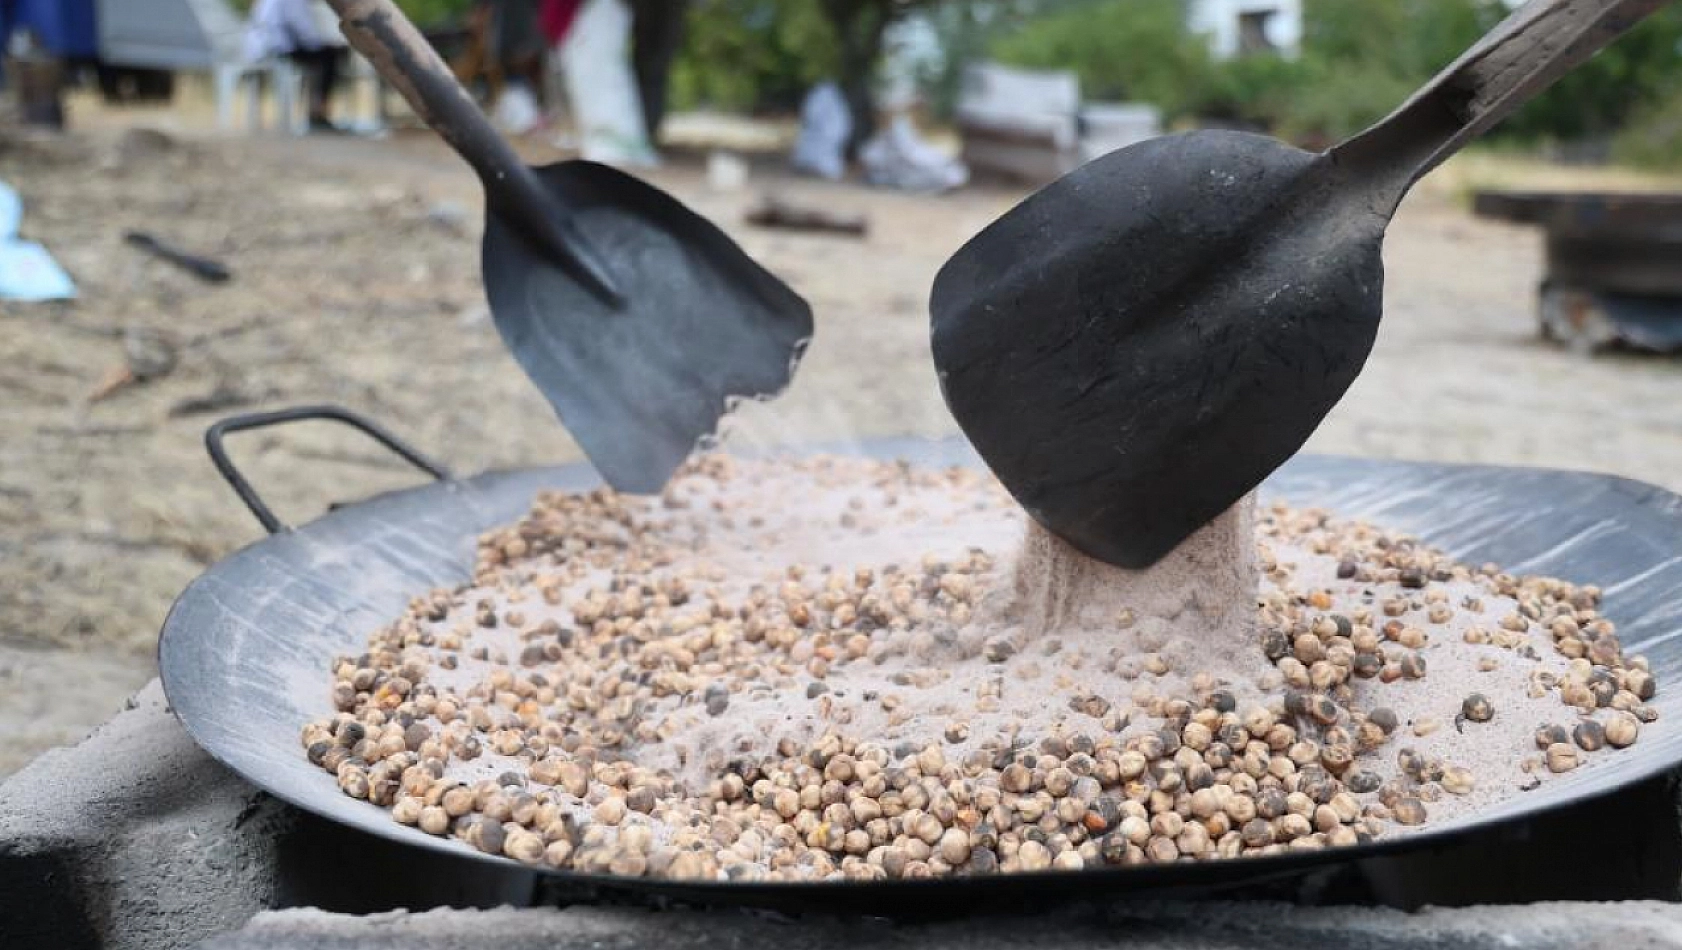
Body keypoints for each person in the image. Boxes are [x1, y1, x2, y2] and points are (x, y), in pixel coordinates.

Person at [244, 0, 344, 132]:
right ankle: (317, 112)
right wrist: (321, 45)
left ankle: (316, 111)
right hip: (278, 47)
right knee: (329, 58)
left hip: (261, 46)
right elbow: (302, 27)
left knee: (324, 57)